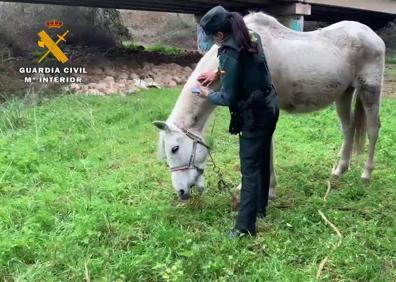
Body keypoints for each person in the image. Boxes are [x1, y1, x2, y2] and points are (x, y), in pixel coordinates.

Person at [195, 5, 279, 238]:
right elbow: (245, 67)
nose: (213, 42)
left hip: (254, 114)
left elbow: (228, 97)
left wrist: (205, 94)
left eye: (213, 38)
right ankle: (259, 208)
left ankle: (244, 228)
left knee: (250, 170)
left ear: (220, 35)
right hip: (270, 105)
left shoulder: (228, 53)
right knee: (262, 159)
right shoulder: (252, 37)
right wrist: (218, 74)